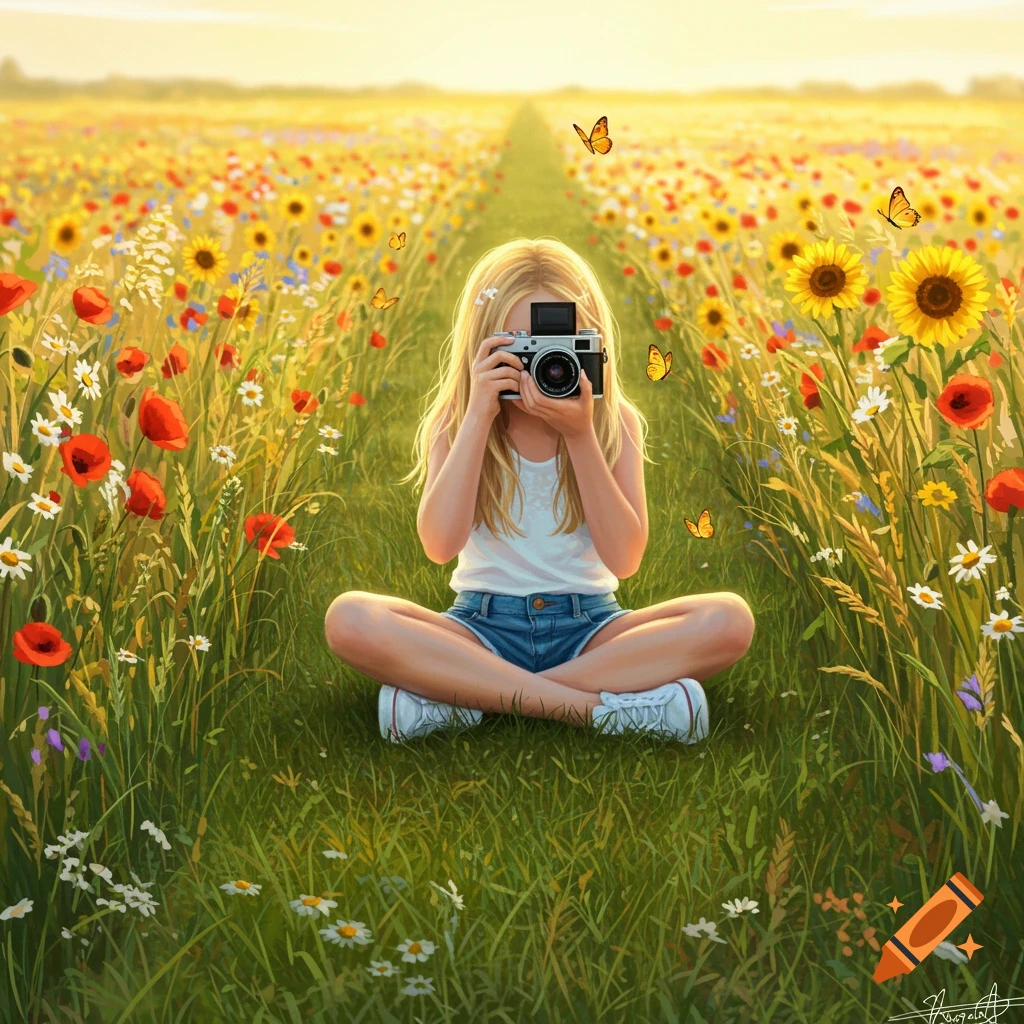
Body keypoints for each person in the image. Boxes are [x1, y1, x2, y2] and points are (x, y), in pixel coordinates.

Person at [324, 238, 754, 743]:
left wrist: (581, 436)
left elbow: (624, 560)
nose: (544, 364)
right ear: (483, 345)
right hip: (480, 626)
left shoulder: (615, 423)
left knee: (728, 618)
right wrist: (479, 415)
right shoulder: (457, 422)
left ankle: (465, 694)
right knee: (351, 618)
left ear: (590, 345)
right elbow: (439, 545)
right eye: (520, 347)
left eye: (559, 347)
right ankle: (600, 710)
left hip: (591, 628)